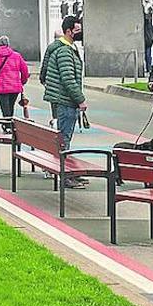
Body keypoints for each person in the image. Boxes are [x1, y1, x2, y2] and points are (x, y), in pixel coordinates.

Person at [39, 15, 88, 189]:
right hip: (65, 100)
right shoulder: (65, 51)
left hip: (58, 98)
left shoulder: (56, 48)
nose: (80, 33)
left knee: (62, 137)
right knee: (64, 139)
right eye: (77, 30)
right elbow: (68, 79)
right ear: (68, 31)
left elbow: (43, 73)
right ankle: (65, 175)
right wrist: (80, 99)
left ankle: (66, 172)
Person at [0, 36, 29, 118]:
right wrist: (22, 82)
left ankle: (7, 126)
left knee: (5, 108)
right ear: (8, 44)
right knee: (10, 107)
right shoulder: (17, 56)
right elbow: (25, 70)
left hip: (1, 88)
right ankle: (9, 125)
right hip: (15, 87)